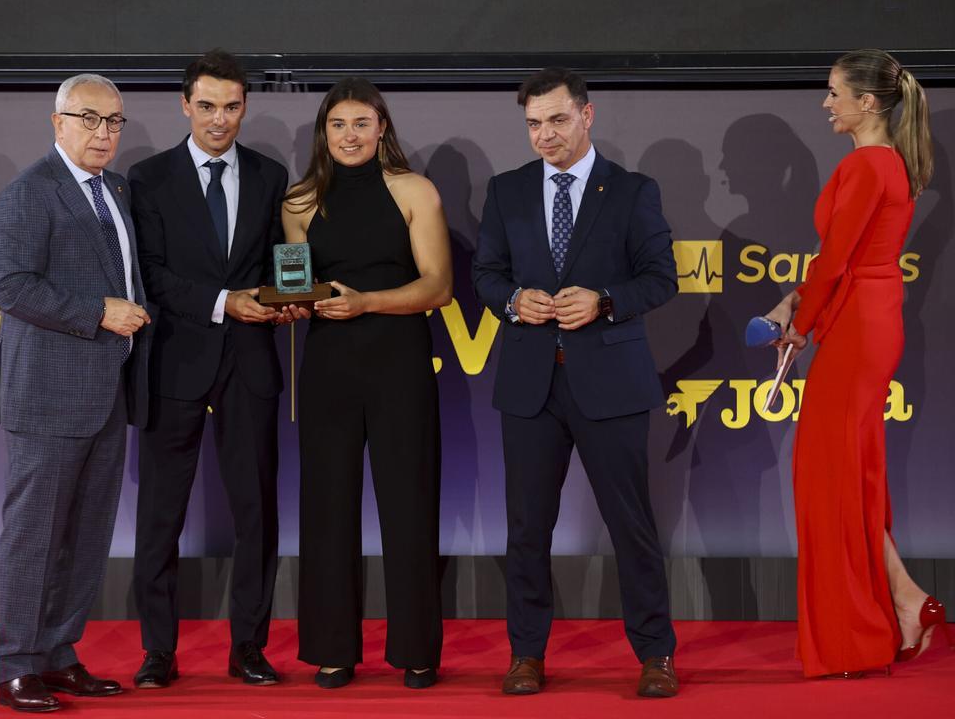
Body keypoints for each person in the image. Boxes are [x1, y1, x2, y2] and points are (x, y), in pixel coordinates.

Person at [472, 67, 680, 698]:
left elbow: (661, 277)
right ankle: (527, 655)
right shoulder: (506, 191)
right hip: (531, 387)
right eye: (534, 124)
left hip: (611, 383)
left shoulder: (632, 190)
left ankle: (656, 655)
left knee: (631, 524)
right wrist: (513, 302)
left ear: (587, 116)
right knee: (527, 529)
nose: (545, 135)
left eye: (557, 120)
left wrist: (606, 300)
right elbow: (485, 273)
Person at [765, 48, 945, 678]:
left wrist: (801, 324)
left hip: (857, 327)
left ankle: (855, 635)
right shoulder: (881, 164)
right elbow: (837, 258)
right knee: (848, 478)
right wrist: (801, 309)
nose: (826, 102)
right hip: (861, 320)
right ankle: (903, 601)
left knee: (832, 481)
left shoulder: (870, 166)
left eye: (835, 93)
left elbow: (836, 260)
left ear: (868, 103)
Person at [128, 49, 293, 688]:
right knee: (160, 516)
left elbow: (282, 262)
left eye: (231, 106)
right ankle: (157, 652)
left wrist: (285, 302)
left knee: (256, 514)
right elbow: (151, 274)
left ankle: (248, 648)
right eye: (206, 106)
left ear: (244, 105)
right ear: (184, 105)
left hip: (251, 366)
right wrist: (227, 303)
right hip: (175, 363)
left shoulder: (270, 175)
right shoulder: (147, 178)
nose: (219, 119)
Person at [283, 77, 452, 689]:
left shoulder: (414, 191)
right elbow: (299, 284)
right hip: (327, 364)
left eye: (361, 123)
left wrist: (368, 302)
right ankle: (333, 647)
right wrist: (293, 304)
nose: (349, 135)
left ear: (382, 128)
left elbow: (437, 286)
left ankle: (417, 649)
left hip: (399, 361)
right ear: (323, 133)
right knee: (326, 506)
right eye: (337, 125)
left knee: (409, 503)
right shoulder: (300, 201)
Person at [0, 73, 151, 712]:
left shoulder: (116, 189)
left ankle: (58, 655)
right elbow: (12, 287)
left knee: (86, 535)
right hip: (48, 396)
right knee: (34, 535)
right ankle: (16, 667)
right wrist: (98, 313)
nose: (102, 133)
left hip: (108, 393)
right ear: (57, 122)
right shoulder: (28, 193)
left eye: (113, 122)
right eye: (88, 119)